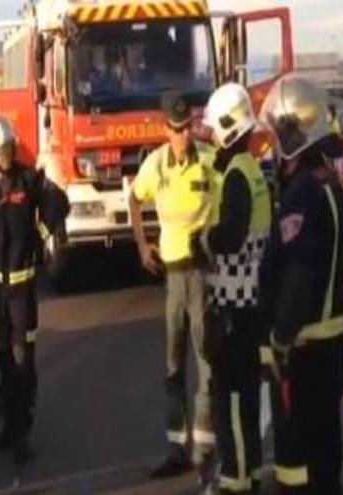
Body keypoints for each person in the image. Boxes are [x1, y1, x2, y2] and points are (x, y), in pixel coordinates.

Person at [258, 75, 343, 495]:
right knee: (326, 454)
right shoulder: (334, 188)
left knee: (297, 461)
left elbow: (298, 278)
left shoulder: (302, 197)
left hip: (305, 352)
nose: (273, 143)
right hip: (332, 348)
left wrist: (278, 338)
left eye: (279, 134)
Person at [129, 91, 220, 479]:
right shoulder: (156, 165)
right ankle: (175, 449)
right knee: (172, 364)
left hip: (202, 273)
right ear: (165, 129)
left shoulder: (210, 161)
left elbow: (233, 200)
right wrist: (140, 242)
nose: (182, 137)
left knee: (206, 362)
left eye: (186, 129)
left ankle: (203, 448)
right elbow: (134, 198)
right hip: (172, 276)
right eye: (176, 130)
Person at [0, 116, 68, 464]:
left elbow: (58, 207)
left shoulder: (29, 180)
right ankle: (10, 427)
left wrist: (47, 230)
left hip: (23, 290)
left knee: (22, 361)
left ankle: (23, 433)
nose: (6, 155)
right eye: (0, 150)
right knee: (3, 358)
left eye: (9, 148)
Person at [196, 83, 273, 494]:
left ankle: (236, 480)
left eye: (213, 128)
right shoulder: (252, 168)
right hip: (251, 303)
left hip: (236, 306)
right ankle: (249, 471)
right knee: (243, 397)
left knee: (233, 401)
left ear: (228, 127)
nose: (209, 135)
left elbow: (232, 235)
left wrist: (205, 239)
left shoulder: (239, 176)